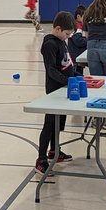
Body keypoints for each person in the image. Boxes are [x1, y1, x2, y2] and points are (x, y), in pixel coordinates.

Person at [36, 11, 77, 173]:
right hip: (55, 90)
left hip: (64, 89)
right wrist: (67, 81)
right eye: (67, 34)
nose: (68, 37)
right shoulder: (50, 44)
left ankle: (54, 151)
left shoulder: (62, 41)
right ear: (58, 29)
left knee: (58, 123)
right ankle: (41, 159)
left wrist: (77, 76)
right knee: (49, 124)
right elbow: (51, 70)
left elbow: (66, 65)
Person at [68, 4, 88, 76]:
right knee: (76, 75)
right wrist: (89, 40)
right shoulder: (76, 27)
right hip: (75, 59)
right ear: (78, 16)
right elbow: (79, 41)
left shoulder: (81, 26)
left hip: (78, 57)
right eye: (85, 17)